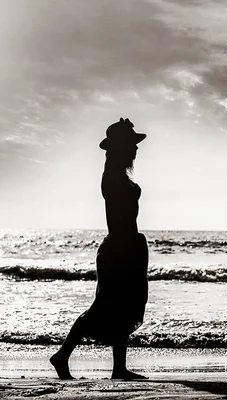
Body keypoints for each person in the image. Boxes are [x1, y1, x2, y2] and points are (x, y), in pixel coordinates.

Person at [50, 118, 149, 380]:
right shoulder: (112, 178)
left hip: (125, 246)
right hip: (119, 248)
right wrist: (128, 246)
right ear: (121, 147)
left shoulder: (118, 176)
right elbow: (118, 218)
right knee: (105, 306)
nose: (136, 149)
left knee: (123, 307)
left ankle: (118, 368)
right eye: (132, 144)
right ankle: (62, 356)